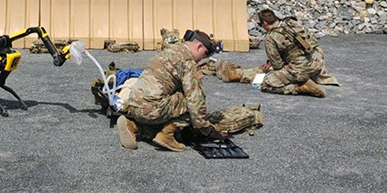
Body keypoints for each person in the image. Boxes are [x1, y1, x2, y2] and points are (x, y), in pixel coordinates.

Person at [116, 29, 262, 151]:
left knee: (169, 101)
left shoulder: (170, 50)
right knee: (190, 102)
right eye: (204, 54)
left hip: (133, 104)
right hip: (151, 109)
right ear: (198, 47)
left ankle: (134, 126)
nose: (201, 60)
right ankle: (167, 135)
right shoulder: (187, 61)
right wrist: (208, 130)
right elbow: (195, 102)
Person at [216, 10, 337, 97]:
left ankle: (300, 88)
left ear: (265, 24)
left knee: (267, 83)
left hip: (301, 68)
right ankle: (237, 74)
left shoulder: (271, 37)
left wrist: (273, 67)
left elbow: (278, 66)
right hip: (317, 61)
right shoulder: (290, 23)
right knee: (272, 67)